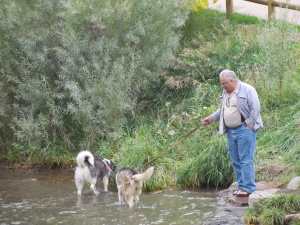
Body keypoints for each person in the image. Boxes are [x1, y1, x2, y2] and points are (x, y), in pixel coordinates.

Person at [202, 69, 263, 197]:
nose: (223, 86)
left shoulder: (247, 89)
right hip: (231, 131)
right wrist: (211, 118)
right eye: (221, 84)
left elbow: (255, 108)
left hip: (244, 129)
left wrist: (249, 125)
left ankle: (248, 188)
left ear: (233, 80)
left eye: (224, 83)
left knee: (245, 159)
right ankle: (241, 186)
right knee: (235, 160)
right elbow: (223, 109)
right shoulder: (225, 92)